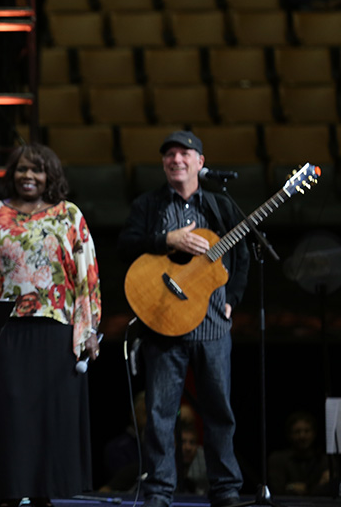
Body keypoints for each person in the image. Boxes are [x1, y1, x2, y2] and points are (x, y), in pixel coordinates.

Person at [0, 143, 101, 505]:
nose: (29, 176)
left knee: (48, 419)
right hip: (4, 333)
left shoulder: (69, 215)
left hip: (57, 330)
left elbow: (88, 277)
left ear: (49, 176)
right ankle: (8, 493)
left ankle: (44, 495)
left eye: (37, 170)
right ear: (13, 173)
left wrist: (88, 331)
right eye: (22, 169)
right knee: (9, 417)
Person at [118, 130, 249, 507]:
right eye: (169, 155)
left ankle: (225, 489)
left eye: (185, 154)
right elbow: (126, 246)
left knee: (219, 411)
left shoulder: (221, 207)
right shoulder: (148, 205)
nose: (177, 159)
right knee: (160, 413)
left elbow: (239, 258)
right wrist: (166, 241)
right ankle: (159, 492)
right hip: (163, 323)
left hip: (211, 325)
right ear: (163, 164)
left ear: (200, 162)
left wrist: (233, 300)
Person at [268, 411, 331, 496]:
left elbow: (329, 490)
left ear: (314, 433)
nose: (302, 436)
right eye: (297, 432)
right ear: (289, 434)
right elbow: (276, 489)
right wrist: (291, 488)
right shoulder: (277, 459)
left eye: (307, 431)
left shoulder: (325, 460)